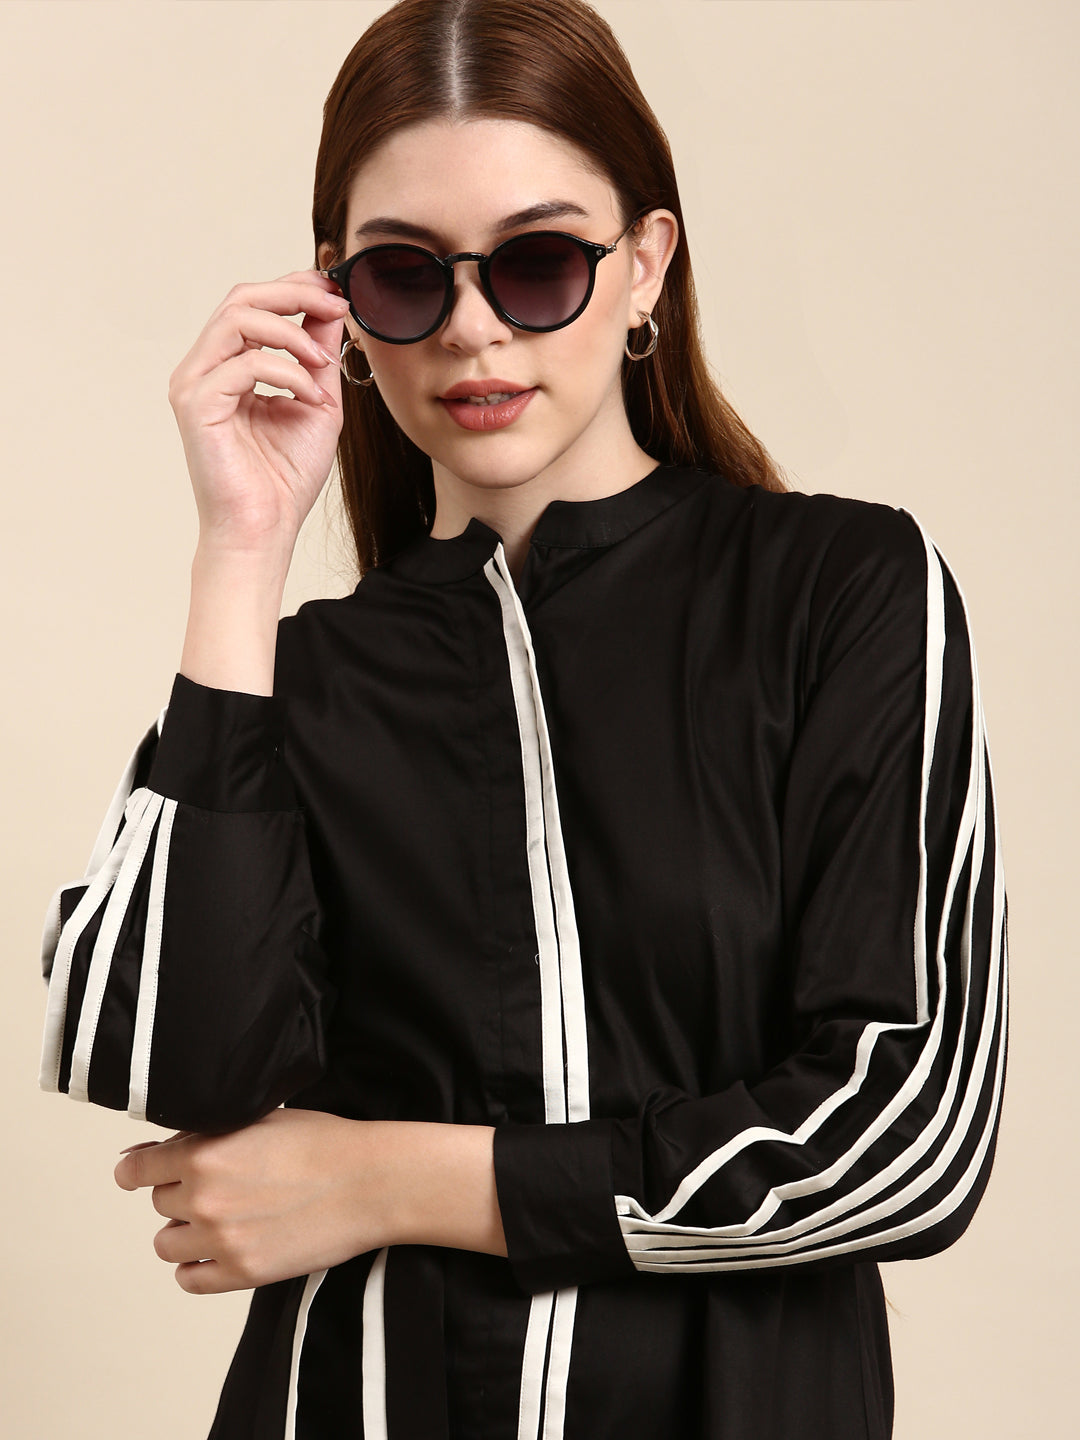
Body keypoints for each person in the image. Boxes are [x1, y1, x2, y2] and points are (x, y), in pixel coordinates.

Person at [38, 1, 1007, 1437]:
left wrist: (390, 1180)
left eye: (539, 262)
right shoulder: (298, 680)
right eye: (404, 276)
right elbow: (176, 1072)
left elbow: (904, 1135)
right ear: (339, 303)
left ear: (645, 265)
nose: (474, 328)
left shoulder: (840, 591)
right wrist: (240, 551)